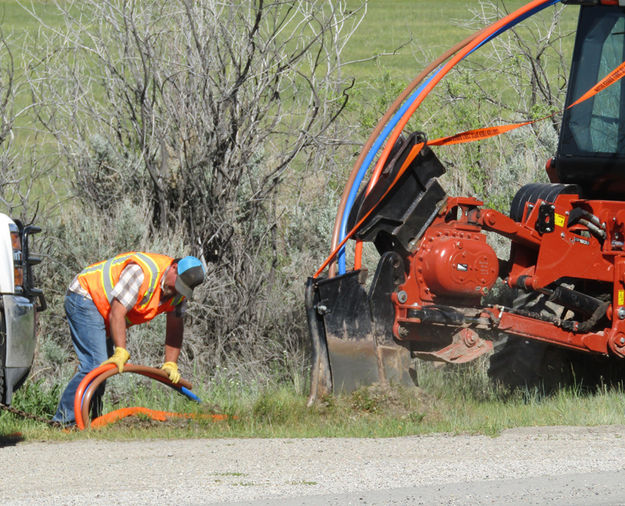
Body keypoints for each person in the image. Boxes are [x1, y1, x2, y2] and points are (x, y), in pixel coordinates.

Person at [52, 252, 206, 425]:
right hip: (85, 296)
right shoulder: (141, 272)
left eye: (183, 288)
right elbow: (118, 311)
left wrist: (171, 363)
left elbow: (175, 327)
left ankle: (90, 421)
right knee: (95, 364)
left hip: (105, 311)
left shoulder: (178, 294)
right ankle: (63, 421)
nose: (178, 290)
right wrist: (120, 350)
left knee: (103, 368)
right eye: (178, 284)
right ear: (174, 268)